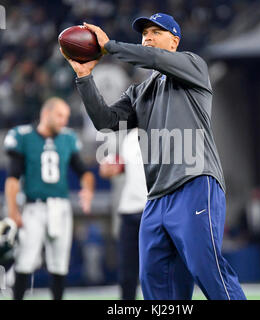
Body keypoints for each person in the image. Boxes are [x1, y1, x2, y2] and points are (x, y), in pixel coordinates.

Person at [61, 13, 245, 300]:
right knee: (156, 284)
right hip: (156, 199)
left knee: (205, 267)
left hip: (194, 184)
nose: (147, 37)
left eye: (156, 32)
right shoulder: (139, 91)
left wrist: (109, 46)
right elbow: (106, 121)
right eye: (144, 33)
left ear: (175, 40)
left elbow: (155, 60)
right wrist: (84, 77)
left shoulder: (194, 65)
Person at [3, 97, 95, 300]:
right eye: (60, 115)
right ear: (46, 114)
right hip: (33, 208)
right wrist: (13, 212)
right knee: (25, 261)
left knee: (60, 265)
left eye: (67, 116)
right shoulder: (23, 135)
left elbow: (84, 173)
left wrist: (87, 190)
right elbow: (12, 178)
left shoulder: (67, 138)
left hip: (61, 207)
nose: (64, 121)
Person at [99, 128, 147, 300]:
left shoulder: (161, 131)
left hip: (152, 210)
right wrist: (115, 166)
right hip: (129, 210)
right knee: (127, 272)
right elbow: (106, 168)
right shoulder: (128, 137)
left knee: (154, 271)